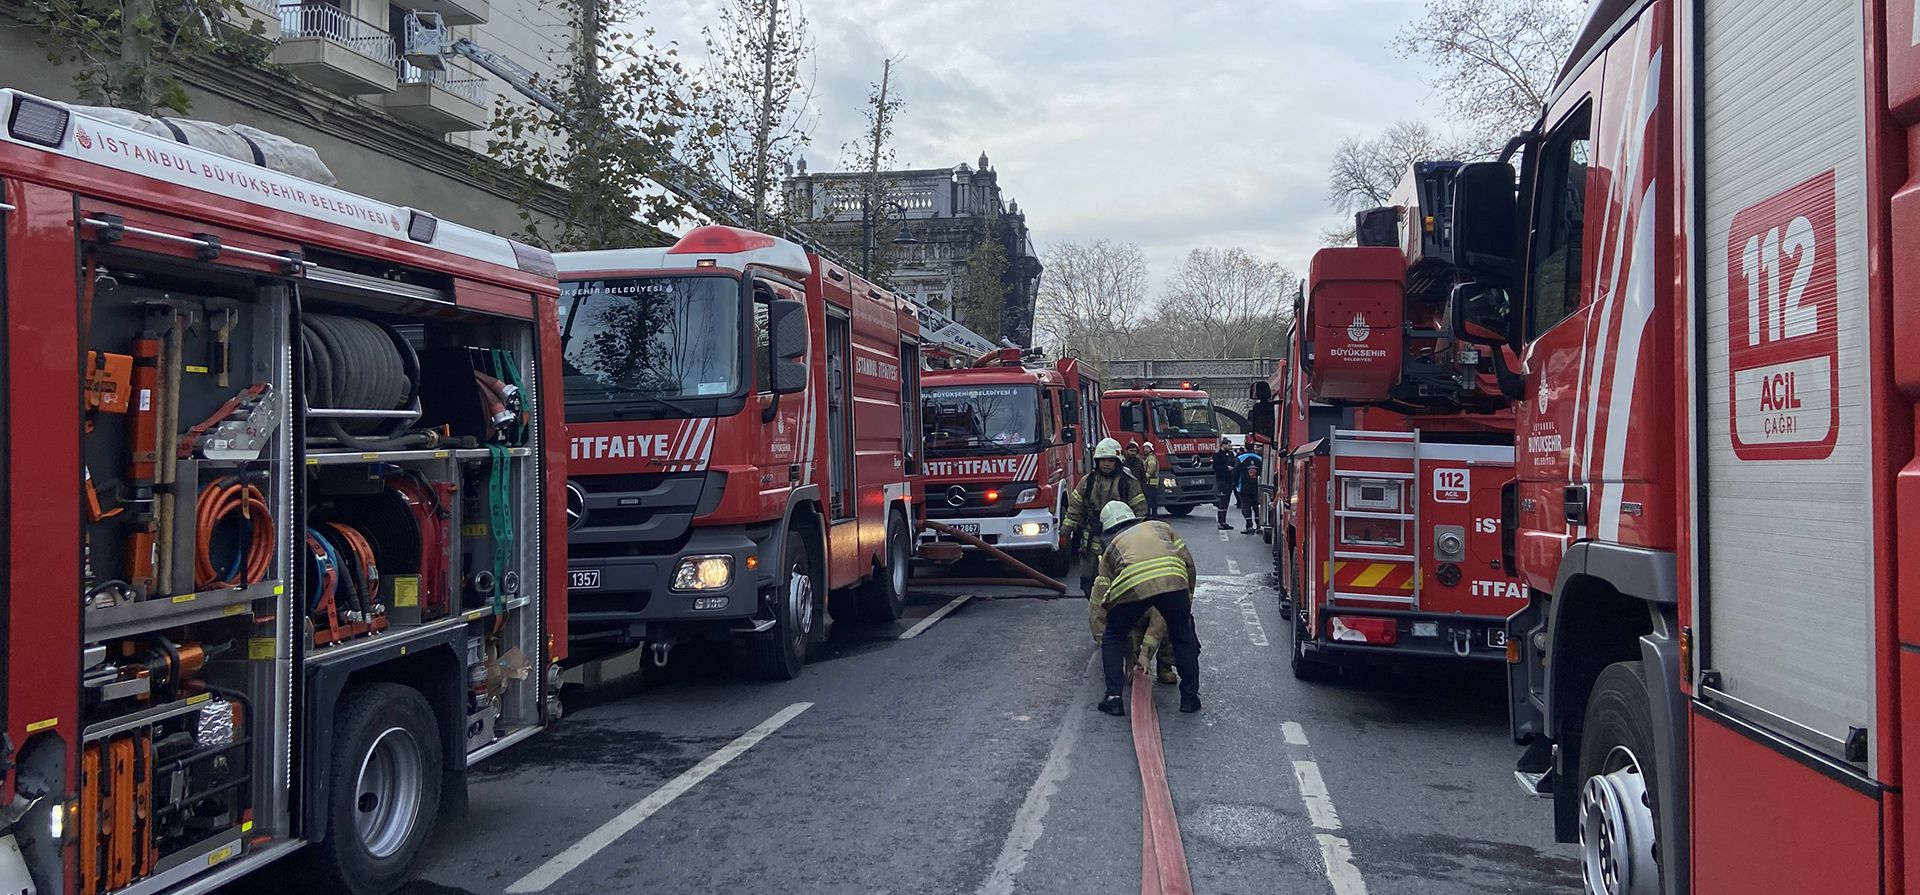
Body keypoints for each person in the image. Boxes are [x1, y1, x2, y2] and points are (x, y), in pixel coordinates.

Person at [1090, 500, 1202, 715]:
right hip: (1174, 579)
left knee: (1113, 635)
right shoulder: (1160, 527)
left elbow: (1104, 600)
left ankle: (1113, 698)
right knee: (1182, 636)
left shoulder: (1112, 545)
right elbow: (1188, 563)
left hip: (1132, 584)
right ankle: (1189, 699)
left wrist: (1127, 655)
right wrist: (1185, 600)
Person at [1061, 437, 1147, 597]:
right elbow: (1075, 508)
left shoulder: (1128, 482)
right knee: (1088, 577)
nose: (1106, 464)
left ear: (1118, 461)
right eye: (1103, 460)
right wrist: (1065, 531)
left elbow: (1140, 511)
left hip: (1119, 537)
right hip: (1091, 537)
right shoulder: (1088, 481)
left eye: (1110, 460)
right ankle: (1094, 603)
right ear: (1097, 461)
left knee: (1117, 574)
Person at [1234, 444, 1264, 534]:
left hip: (1244, 486)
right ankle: (1259, 526)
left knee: (1246, 506)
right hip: (1257, 486)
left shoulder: (1240, 458)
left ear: (1245, 448)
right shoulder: (1260, 458)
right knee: (1257, 507)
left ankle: (1249, 525)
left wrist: (1236, 484)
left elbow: (1235, 472)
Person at [1211, 439, 1237, 531]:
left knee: (1226, 502)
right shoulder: (1217, 456)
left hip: (1229, 481)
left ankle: (1224, 521)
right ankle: (1221, 522)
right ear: (1223, 445)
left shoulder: (1229, 455)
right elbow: (1215, 467)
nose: (1230, 447)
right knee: (1222, 502)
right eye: (1228, 445)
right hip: (1222, 481)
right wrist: (1226, 468)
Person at [1141, 442, 1161, 517]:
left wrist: (1144, 478)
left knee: (1149, 499)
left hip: (1151, 482)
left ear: (1151, 449)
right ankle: (1153, 514)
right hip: (1152, 482)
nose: (1145, 450)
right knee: (1153, 499)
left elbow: (1151, 469)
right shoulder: (1149, 457)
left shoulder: (1151, 458)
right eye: (1144, 448)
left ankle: (1150, 514)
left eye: (1147, 448)